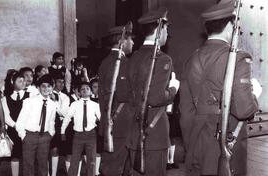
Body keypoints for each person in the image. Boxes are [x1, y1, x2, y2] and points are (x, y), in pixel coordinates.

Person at [179, 1, 259, 176]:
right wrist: (255, 95)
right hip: (227, 146)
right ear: (230, 25)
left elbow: (185, 112)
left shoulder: (190, 60)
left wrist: (191, 145)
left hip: (198, 143)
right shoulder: (238, 58)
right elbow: (244, 110)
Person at [126, 8, 180, 176]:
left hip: (134, 131)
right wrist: (173, 89)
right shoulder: (163, 59)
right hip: (154, 134)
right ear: (159, 30)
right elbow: (156, 98)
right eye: (166, 29)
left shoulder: (133, 57)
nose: (167, 33)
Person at [98, 21, 135, 176]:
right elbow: (123, 94)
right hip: (120, 124)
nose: (132, 42)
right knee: (113, 167)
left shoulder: (106, 61)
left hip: (112, 120)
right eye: (130, 39)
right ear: (121, 41)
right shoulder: (121, 63)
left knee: (114, 165)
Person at [15, 74, 57, 176]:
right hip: (29, 136)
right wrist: (23, 136)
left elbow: (52, 121)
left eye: (49, 86)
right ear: (38, 88)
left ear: (52, 88)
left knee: (43, 164)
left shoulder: (52, 104)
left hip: (45, 137)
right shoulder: (29, 102)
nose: (46, 89)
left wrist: (51, 133)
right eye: (43, 86)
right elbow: (20, 122)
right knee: (28, 164)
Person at [61, 81, 101, 176]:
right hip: (78, 136)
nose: (85, 90)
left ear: (91, 92)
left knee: (91, 159)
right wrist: (62, 132)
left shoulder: (95, 105)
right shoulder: (74, 104)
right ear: (79, 92)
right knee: (75, 158)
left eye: (87, 88)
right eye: (82, 89)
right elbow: (67, 118)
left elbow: (101, 119)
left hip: (91, 135)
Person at [1, 70, 28, 176]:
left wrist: (24, 127)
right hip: (14, 130)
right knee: (15, 155)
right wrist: (17, 126)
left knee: (28, 155)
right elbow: (6, 117)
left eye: (24, 81)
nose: (23, 83)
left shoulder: (30, 96)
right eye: (20, 81)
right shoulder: (5, 98)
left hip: (27, 130)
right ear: (12, 81)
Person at [49, 73, 70, 176]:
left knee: (56, 149)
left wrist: (54, 102)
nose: (61, 84)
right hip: (49, 124)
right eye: (59, 82)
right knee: (48, 150)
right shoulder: (47, 93)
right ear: (54, 83)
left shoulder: (65, 97)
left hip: (59, 126)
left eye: (63, 82)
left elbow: (64, 113)